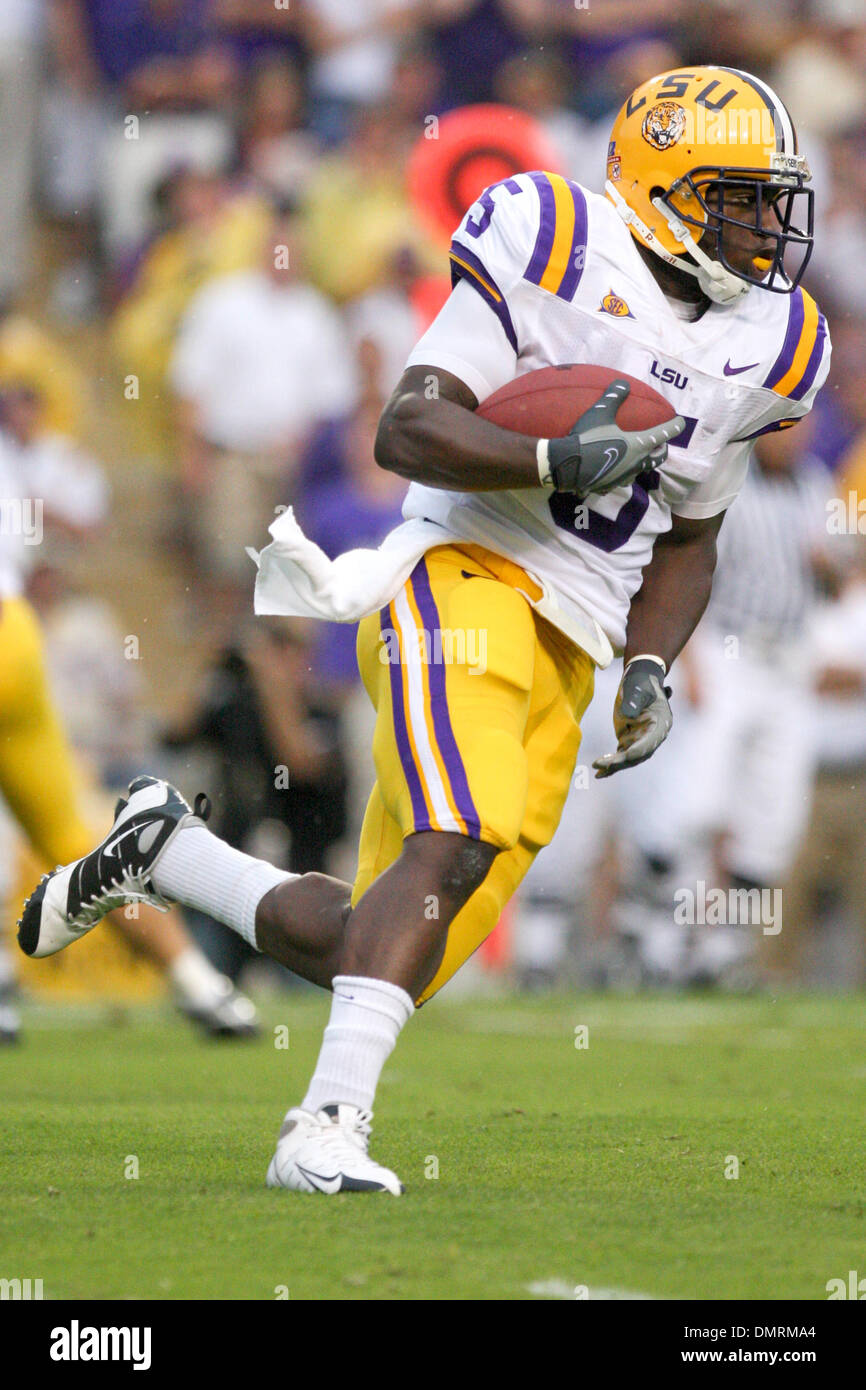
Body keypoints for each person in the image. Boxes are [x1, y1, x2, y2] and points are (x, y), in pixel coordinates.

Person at [19, 67, 830, 1194]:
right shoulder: (553, 238)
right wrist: (546, 459)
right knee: (453, 839)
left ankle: (169, 851)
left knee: (386, 948)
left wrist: (647, 661)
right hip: (462, 576)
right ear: (658, 191)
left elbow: (692, 536)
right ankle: (323, 1128)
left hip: (577, 638)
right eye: (736, 196)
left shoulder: (774, 344)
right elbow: (408, 427)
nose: (764, 225)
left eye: (769, 198)